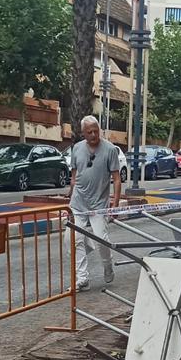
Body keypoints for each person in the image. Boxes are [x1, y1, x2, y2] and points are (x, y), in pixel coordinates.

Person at [68, 115, 122, 291]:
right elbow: (74, 176)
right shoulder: (76, 148)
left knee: (102, 240)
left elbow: (116, 178)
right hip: (78, 203)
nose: (93, 135)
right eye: (89, 132)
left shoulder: (110, 150)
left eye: (96, 131)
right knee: (75, 240)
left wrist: (115, 203)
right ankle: (82, 278)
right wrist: (69, 200)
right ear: (83, 133)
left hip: (98, 204)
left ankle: (107, 266)